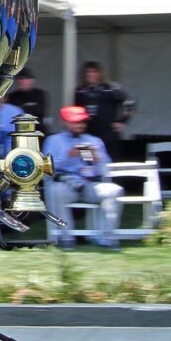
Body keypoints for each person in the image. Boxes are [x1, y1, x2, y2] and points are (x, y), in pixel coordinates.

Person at [42, 106, 123, 250]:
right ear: (65, 122)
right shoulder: (53, 140)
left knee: (114, 191)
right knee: (56, 191)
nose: (80, 125)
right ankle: (65, 237)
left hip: (90, 184)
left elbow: (106, 170)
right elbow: (46, 167)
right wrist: (69, 156)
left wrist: (98, 157)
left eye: (82, 122)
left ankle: (107, 238)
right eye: (75, 122)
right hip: (65, 183)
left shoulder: (94, 141)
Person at [73, 61, 133, 157]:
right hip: (86, 134)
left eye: (94, 71)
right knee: (87, 162)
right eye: (87, 72)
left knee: (109, 163)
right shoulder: (79, 90)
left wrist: (123, 121)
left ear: (100, 73)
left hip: (108, 134)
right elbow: (75, 111)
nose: (90, 74)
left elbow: (130, 101)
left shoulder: (111, 88)